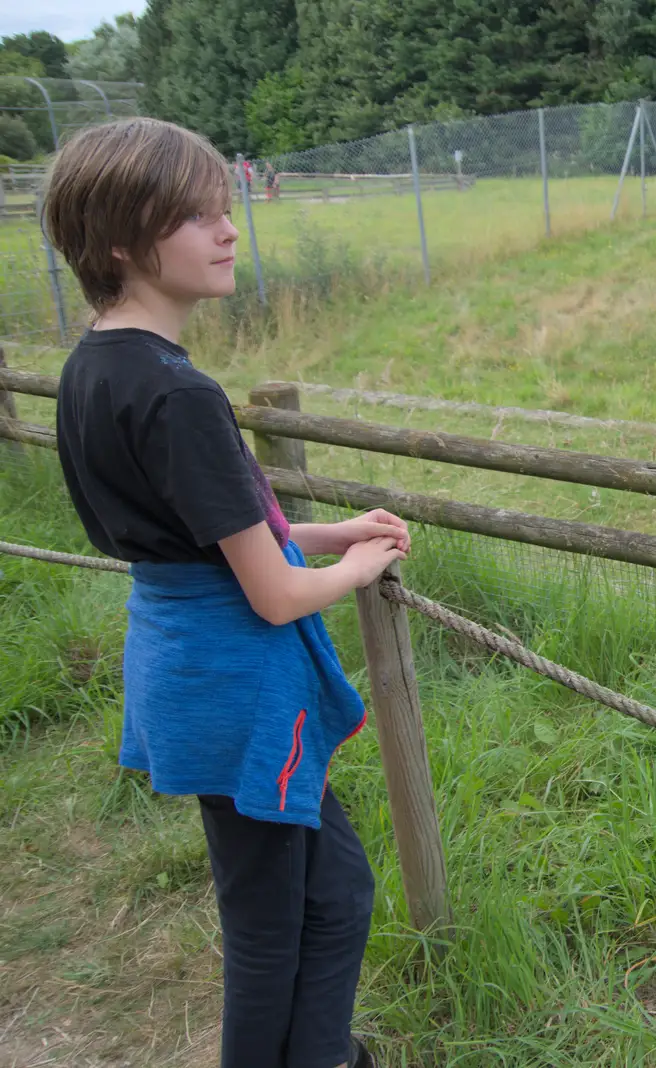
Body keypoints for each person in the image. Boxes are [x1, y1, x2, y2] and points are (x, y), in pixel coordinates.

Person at [40, 116, 406, 1068]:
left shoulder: (93, 369)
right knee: (270, 928)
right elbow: (276, 595)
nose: (228, 229)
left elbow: (199, 539)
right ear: (123, 240)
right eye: (196, 216)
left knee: (335, 893)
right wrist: (360, 568)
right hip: (239, 682)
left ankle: (326, 1053)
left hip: (181, 660)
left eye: (223, 208)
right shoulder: (180, 394)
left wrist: (334, 533)